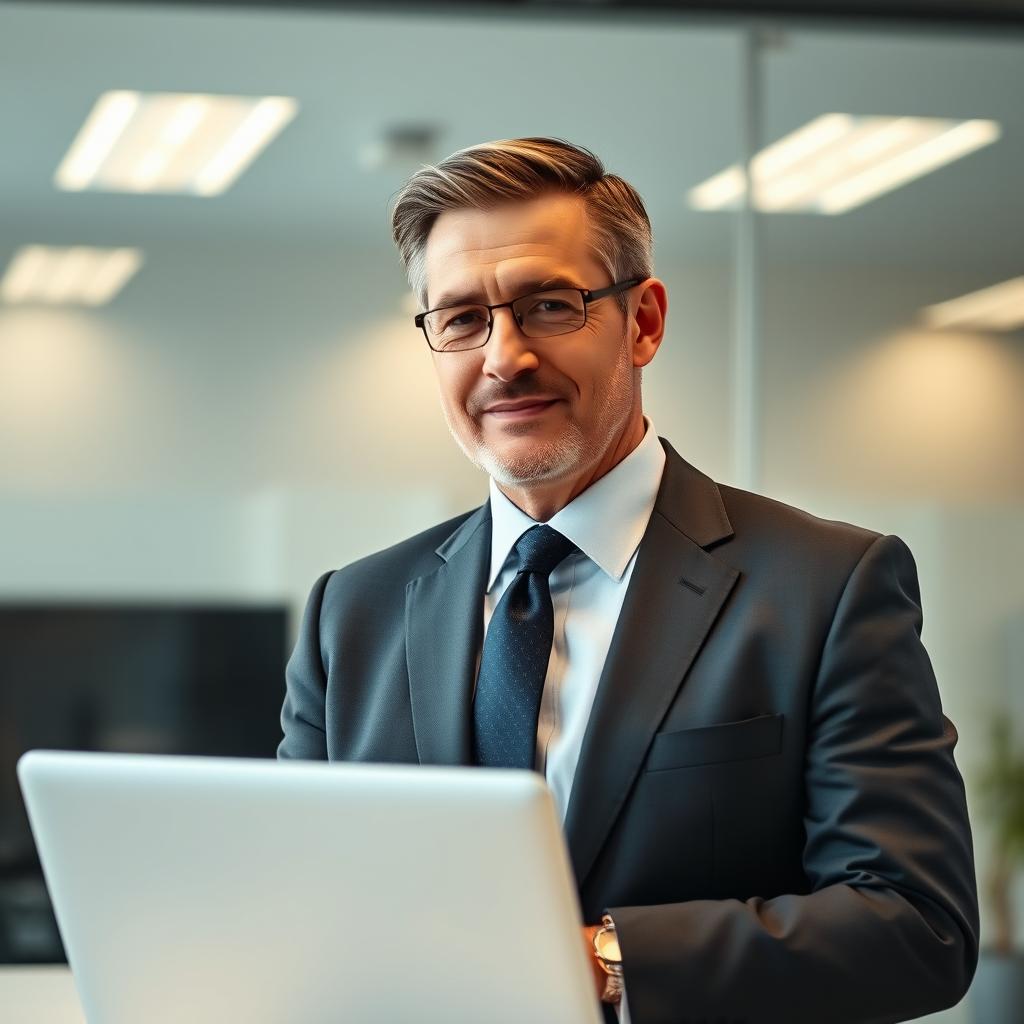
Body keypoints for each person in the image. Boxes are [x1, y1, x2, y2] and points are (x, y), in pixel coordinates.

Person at [278, 137, 979, 1024]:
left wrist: (601, 959)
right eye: (461, 319)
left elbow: (917, 926)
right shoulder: (355, 613)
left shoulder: (826, 588)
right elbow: (299, 906)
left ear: (643, 321)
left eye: (548, 305)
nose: (503, 357)